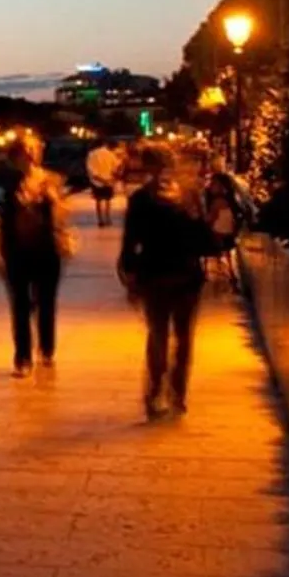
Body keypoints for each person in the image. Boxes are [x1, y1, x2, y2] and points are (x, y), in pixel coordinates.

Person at [118, 145, 211, 418]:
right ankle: (178, 394)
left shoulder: (140, 199)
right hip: (187, 273)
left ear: (147, 166)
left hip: (154, 273)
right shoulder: (189, 195)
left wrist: (130, 274)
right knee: (183, 337)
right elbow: (202, 234)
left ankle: (155, 392)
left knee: (158, 333)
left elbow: (130, 242)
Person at [0, 133, 72, 378]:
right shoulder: (8, 185)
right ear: (15, 157)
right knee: (20, 306)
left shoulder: (52, 180)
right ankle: (22, 358)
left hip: (47, 249)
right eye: (25, 151)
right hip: (16, 251)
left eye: (34, 149)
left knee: (46, 302)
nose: (31, 154)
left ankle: (46, 349)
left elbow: (63, 216)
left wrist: (54, 200)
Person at [86, 140, 123, 227]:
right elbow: (117, 166)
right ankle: (108, 218)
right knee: (108, 200)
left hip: (96, 181)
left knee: (98, 200)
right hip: (109, 180)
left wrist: (97, 177)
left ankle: (100, 220)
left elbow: (90, 169)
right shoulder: (110, 154)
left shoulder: (91, 154)